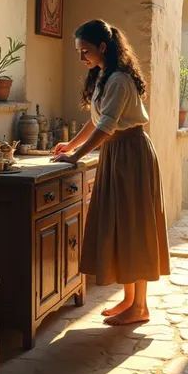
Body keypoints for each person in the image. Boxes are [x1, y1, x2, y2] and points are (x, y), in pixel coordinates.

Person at [52, 19, 170, 326]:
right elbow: (98, 120)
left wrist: (77, 156)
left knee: (135, 227)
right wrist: (71, 144)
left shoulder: (119, 80)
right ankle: (129, 300)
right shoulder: (104, 75)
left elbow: (106, 127)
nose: (82, 58)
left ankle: (140, 307)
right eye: (79, 52)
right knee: (121, 227)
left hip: (131, 154)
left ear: (103, 47)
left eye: (85, 51)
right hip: (117, 153)